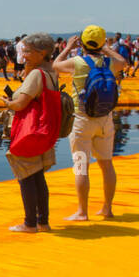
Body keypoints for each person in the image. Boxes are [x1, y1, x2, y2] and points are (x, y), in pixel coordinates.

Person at [54, 25, 127, 221]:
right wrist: (106, 48)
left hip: (82, 119)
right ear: (102, 43)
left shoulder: (78, 62)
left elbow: (55, 65)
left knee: (81, 166)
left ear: (83, 43)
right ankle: (107, 208)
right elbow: (123, 62)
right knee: (107, 164)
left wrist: (68, 47)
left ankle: (82, 211)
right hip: (105, 120)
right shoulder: (109, 63)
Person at [0, 32, 60, 233]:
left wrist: (8, 102)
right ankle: (43, 221)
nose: (23, 54)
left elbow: (20, 104)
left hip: (31, 131)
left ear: (41, 52)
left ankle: (29, 223)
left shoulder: (36, 74)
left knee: (26, 176)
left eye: (27, 51)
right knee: (37, 177)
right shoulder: (51, 72)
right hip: (47, 129)